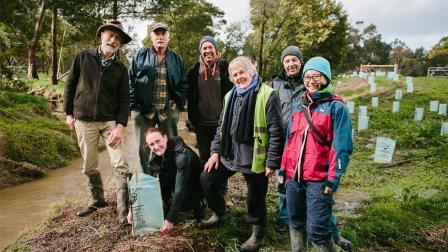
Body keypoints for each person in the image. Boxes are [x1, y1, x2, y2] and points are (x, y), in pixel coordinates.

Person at [272, 47, 353, 251]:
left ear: (326, 78)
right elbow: (289, 143)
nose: (311, 80)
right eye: (308, 76)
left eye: (317, 76)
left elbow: (341, 147)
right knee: (296, 222)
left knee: (317, 228)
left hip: (318, 179)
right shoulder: (300, 108)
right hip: (293, 178)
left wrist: (333, 178)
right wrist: (283, 170)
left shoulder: (336, 108)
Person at [200, 56, 283, 252]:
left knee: (255, 196)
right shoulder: (230, 96)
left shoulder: (268, 94)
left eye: (242, 72)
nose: (239, 77)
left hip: (254, 158)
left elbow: (276, 131)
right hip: (229, 154)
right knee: (207, 179)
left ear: (251, 72)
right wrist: (214, 152)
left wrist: (271, 161)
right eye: (234, 74)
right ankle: (219, 213)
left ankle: (258, 234)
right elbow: (221, 127)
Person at [63, 20, 132, 224]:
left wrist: (120, 127)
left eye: (117, 38)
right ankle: (97, 200)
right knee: (89, 165)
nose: (113, 40)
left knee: (120, 163)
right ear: (101, 36)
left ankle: (123, 209)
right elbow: (70, 84)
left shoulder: (121, 69)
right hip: (84, 120)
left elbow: (124, 100)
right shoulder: (82, 57)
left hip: (110, 122)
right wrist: (68, 113)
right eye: (110, 35)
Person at [128, 21, 188, 171]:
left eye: (163, 34)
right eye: (157, 34)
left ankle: (170, 179)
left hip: (167, 112)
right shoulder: (140, 55)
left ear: (169, 37)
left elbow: (183, 84)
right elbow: (130, 81)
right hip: (143, 112)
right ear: (151, 37)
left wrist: (175, 107)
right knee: (144, 149)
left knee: (171, 146)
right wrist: (134, 106)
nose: (160, 37)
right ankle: (148, 181)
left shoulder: (177, 59)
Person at [127, 127, 205, 234]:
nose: (156, 146)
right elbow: (147, 185)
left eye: (158, 141)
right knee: (158, 183)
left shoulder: (182, 155)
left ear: (165, 137)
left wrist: (170, 219)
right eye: (151, 144)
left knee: (181, 205)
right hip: (178, 182)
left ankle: (200, 203)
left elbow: (180, 189)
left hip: (196, 185)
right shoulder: (156, 155)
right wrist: (133, 210)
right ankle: (169, 207)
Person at [270, 45, 305, 233]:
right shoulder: (275, 84)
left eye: (294, 60)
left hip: (304, 140)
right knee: (282, 178)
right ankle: (284, 217)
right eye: (287, 60)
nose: (291, 64)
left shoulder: (308, 81)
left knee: (302, 178)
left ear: (301, 62)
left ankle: (301, 215)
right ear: (283, 64)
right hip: (282, 139)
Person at [187, 36, 233, 162]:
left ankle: (221, 182)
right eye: (204, 48)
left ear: (216, 50)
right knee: (204, 157)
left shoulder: (226, 67)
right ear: (201, 52)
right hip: (201, 123)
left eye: (210, 47)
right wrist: (192, 119)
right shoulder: (193, 71)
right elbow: (189, 95)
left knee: (222, 156)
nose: (207, 50)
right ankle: (205, 181)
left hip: (222, 123)